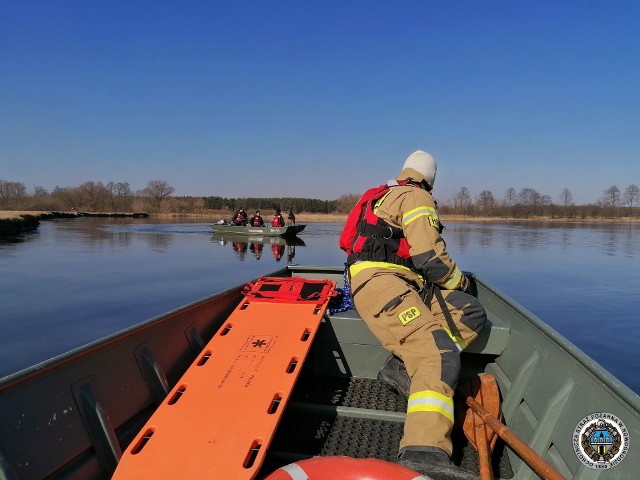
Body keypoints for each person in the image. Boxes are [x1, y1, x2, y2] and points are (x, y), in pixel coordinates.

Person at [339, 150, 486, 480]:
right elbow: (429, 258)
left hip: (405, 283)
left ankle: (400, 368)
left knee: (470, 312)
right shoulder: (417, 196)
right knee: (439, 354)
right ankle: (423, 452)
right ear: (431, 179)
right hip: (383, 283)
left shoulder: (389, 193)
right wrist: (460, 282)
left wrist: (458, 294)